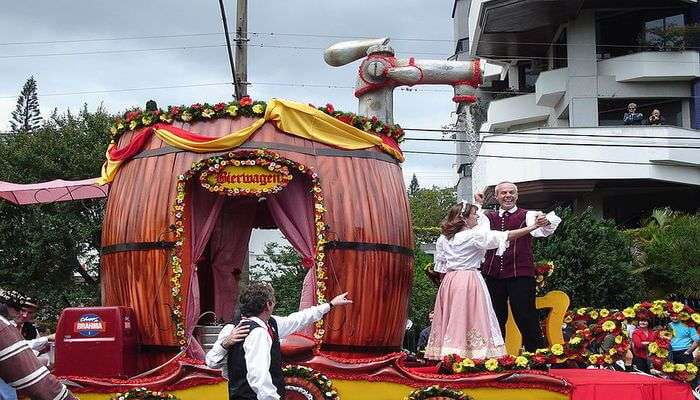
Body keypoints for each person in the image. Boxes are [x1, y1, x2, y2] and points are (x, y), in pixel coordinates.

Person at [424, 200, 549, 360]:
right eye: (474, 214)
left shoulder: (444, 239)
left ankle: (451, 356)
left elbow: (441, 266)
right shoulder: (473, 236)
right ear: (464, 218)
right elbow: (507, 236)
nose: (477, 216)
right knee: (472, 315)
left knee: (454, 316)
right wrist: (532, 227)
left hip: (450, 281)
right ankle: (465, 356)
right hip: (468, 279)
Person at [205, 282, 352, 400]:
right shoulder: (245, 330)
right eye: (273, 302)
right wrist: (224, 344)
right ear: (268, 305)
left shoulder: (271, 324)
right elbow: (258, 375)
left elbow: (298, 319)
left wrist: (330, 305)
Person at [479, 182, 561, 352]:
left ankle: (537, 358)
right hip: (493, 274)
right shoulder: (488, 217)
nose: (507, 195)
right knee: (494, 317)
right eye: (503, 193)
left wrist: (544, 221)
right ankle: (495, 358)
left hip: (521, 274)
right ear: (496, 197)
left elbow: (544, 230)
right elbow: (475, 228)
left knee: (526, 315)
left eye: (511, 192)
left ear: (517, 196)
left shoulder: (528, 215)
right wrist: (479, 204)